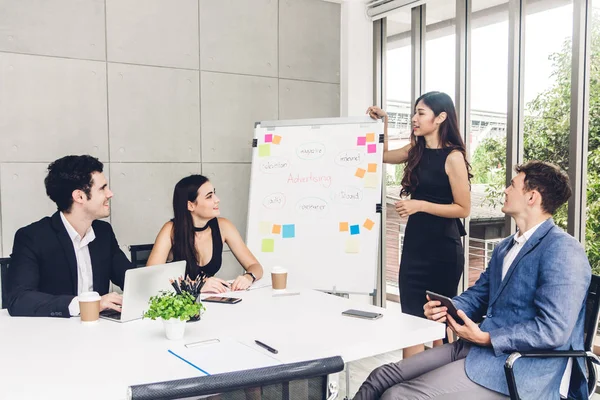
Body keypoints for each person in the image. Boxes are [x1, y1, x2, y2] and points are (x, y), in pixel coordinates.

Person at [353, 161, 591, 400]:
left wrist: (487, 338)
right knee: (380, 377)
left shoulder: (563, 250)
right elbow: (480, 295)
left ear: (532, 197)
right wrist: (448, 309)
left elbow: (553, 331)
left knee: (398, 396)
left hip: (519, 367)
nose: (505, 191)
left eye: (512, 185)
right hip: (476, 347)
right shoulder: (505, 247)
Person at [367, 91, 472, 358]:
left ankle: (438, 385)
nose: (414, 118)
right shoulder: (417, 149)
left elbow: (463, 208)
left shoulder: (453, 157)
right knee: (411, 320)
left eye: (421, 113)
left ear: (440, 118)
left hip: (443, 251)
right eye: (415, 112)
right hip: (415, 247)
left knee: (438, 323)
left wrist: (420, 205)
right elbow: (382, 156)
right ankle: (408, 390)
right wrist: (384, 124)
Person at [6, 155, 133, 318]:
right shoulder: (32, 237)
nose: (110, 194)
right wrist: (88, 305)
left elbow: (128, 277)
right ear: (79, 196)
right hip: (53, 335)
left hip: (101, 331)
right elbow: (19, 299)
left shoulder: (103, 232)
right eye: (102, 188)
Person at [147, 174, 263, 293]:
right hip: (180, 307)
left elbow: (255, 266)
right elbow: (150, 277)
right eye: (209, 196)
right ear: (190, 205)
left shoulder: (224, 226)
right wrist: (197, 285)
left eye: (214, 193)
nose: (217, 199)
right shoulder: (170, 230)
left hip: (211, 302)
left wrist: (248, 277)